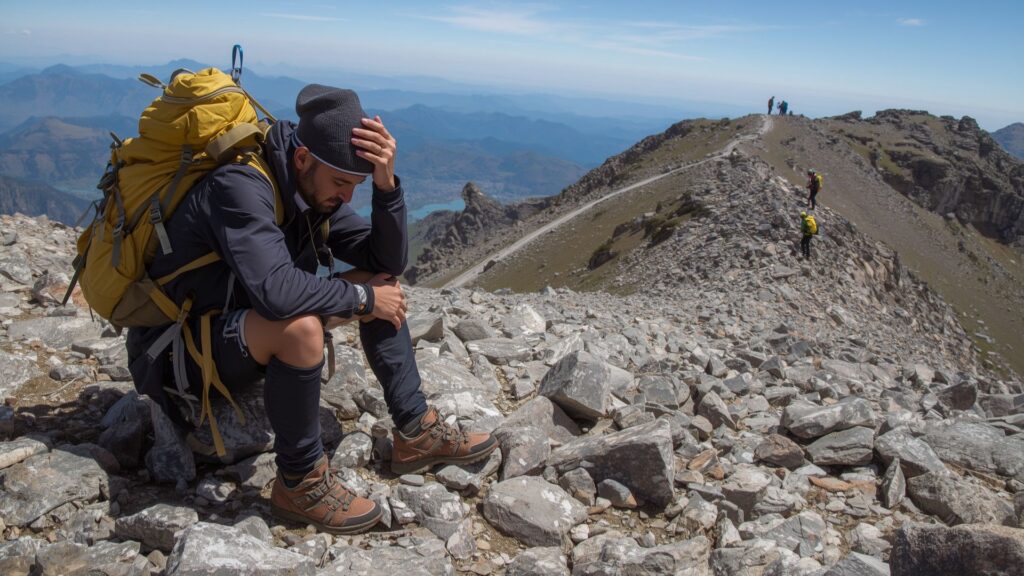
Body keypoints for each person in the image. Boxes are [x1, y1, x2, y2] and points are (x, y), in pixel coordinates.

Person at [125, 84, 497, 535]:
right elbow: (277, 295)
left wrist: (385, 185)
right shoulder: (239, 187)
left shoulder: (312, 192)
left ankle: (416, 431)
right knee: (303, 327)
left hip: (237, 331)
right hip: (175, 356)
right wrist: (362, 301)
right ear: (301, 159)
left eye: (355, 185)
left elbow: (386, 262)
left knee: (380, 285)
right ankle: (299, 483)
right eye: (341, 183)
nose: (346, 197)